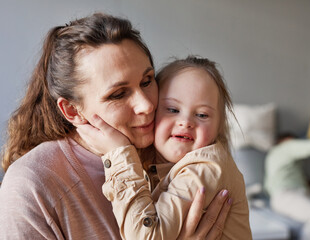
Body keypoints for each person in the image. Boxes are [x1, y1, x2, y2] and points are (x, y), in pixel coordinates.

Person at [0, 13, 232, 239]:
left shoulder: (172, 149)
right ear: (72, 110)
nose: (147, 105)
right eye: (118, 94)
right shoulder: (30, 186)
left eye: (147, 81)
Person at [76, 56, 252, 239]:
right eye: (173, 110)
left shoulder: (205, 168)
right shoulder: (156, 161)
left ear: (219, 127)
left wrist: (119, 153)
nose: (185, 122)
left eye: (202, 114)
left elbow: (145, 236)